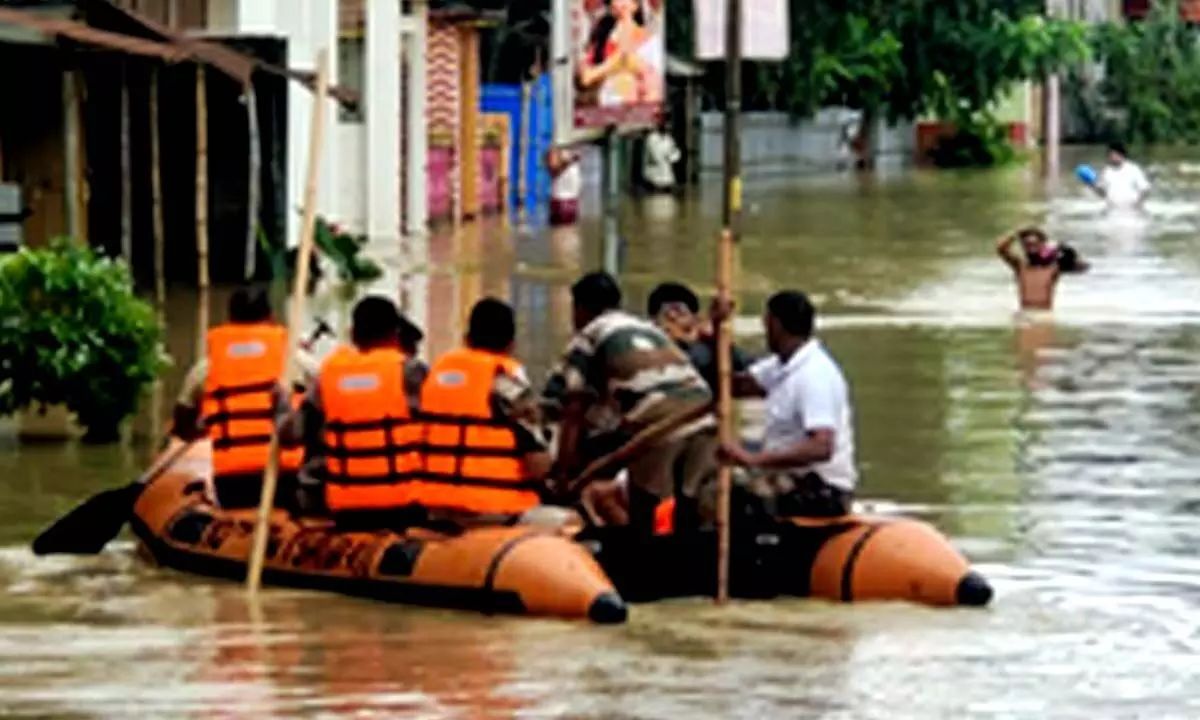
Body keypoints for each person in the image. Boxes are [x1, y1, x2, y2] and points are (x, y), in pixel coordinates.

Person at [546, 271, 718, 535]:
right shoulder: (647, 329)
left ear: (579, 309)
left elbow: (573, 412)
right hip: (704, 420)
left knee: (649, 514)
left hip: (658, 427)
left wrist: (562, 476)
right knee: (688, 512)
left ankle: (645, 568)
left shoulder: (588, 337)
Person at [411, 298, 560, 528]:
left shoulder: (434, 377)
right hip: (492, 511)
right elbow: (539, 467)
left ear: (467, 339)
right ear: (511, 344)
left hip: (434, 508)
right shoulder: (506, 384)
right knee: (571, 522)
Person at [282, 296, 424, 524]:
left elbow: (292, 433)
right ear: (396, 334)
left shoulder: (329, 375)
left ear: (353, 335)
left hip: (345, 509)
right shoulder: (411, 372)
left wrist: (280, 405)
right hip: (403, 508)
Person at [172, 285, 316, 509]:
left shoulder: (207, 367)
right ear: (270, 317)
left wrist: (204, 428)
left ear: (229, 318)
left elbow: (182, 422)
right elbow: (329, 403)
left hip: (233, 483)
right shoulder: (296, 360)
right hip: (287, 478)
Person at [718, 291, 858, 519]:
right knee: (718, 486)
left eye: (766, 323)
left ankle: (754, 553)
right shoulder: (781, 366)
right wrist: (717, 331)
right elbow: (736, 385)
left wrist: (754, 460)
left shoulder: (815, 374)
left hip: (820, 488)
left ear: (775, 325)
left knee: (741, 499)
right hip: (788, 477)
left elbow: (822, 447)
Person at [647, 281, 752, 391]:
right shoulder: (648, 348)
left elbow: (742, 363)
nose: (673, 318)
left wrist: (716, 328)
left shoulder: (706, 344)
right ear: (654, 322)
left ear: (695, 320)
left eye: (680, 312)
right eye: (666, 315)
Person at [576, 0, 663, 106]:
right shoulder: (601, 37)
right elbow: (586, 77)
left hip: (639, 100)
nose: (620, 3)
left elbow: (652, 76)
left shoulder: (649, 40)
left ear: (635, 5)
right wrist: (617, 59)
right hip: (609, 97)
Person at [995, 226, 1089, 311]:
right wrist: (1017, 232)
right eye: (1028, 245)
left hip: (1045, 313)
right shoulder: (1020, 266)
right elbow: (1001, 248)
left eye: (1034, 244)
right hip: (1024, 313)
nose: (1031, 248)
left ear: (1042, 245)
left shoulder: (1053, 267)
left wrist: (1065, 249)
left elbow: (1083, 267)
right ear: (1023, 247)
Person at [1094, 141, 1150, 209]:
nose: (1110, 158)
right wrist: (1093, 186)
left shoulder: (1133, 169)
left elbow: (1145, 189)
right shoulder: (1106, 171)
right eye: (1109, 155)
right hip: (1112, 207)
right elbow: (1103, 193)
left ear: (1121, 155)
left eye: (1112, 155)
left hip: (1131, 207)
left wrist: (1138, 203)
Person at [642, 118, 681, 193]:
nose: (667, 127)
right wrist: (667, 157)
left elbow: (675, 152)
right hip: (654, 176)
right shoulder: (651, 138)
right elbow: (656, 155)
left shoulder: (669, 138)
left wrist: (672, 157)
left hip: (667, 177)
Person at [548, 145, 582, 227]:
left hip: (573, 201)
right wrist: (569, 161)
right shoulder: (556, 150)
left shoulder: (572, 151)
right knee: (562, 232)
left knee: (571, 233)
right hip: (561, 201)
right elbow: (553, 169)